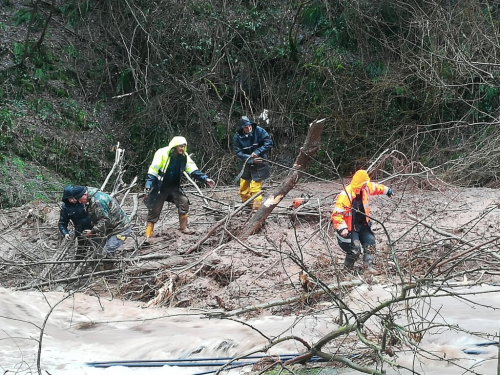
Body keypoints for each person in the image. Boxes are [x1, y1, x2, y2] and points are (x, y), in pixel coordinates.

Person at [144, 136, 215, 240]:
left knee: (184, 201)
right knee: (154, 209)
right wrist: (148, 186)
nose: (182, 148)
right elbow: (153, 171)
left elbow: (193, 170)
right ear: (175, 146)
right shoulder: (162, 153)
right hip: (160, 186)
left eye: (184, 146)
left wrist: (205, 179)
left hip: (174, 187)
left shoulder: (184, 157)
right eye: (180, 146)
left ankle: (183, 228)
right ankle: (148, 234)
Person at [331, 170, 394, 274]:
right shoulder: (346, 195)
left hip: (363, 224)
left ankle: (367, 268)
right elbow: (337, 214)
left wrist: (388, 191)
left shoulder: (366, 188)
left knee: (371, 244)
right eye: (364, 184)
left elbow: (376, 187)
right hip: (351, 227)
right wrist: (342, 228)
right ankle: (346, 270)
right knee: (354, 250)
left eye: (366, 184)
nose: (366, 186)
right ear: (359, 184)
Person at [73, 186, 132, 257]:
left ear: (85, 195)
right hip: (110, 228)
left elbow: (105, 220)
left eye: (80, 199)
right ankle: (100, 265)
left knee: (107, 251)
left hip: (121, 228)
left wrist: (92, 231)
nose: (79, 202)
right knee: (98, 250)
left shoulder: (98, 201)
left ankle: (109, 266)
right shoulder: (91, 198)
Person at [233, 116, 273, 210]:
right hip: (246, 164)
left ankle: (256, 210)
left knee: (255, 190)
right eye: (246, 127)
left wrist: (258, 152)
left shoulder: (259, 131)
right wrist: (250, 158)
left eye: (249, 126)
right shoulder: (237, 137)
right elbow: (238, 152)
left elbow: (269, 142)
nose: (248, 128)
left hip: (259, 164)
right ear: (242, 128)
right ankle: (248, 206)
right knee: (243, 190)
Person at [58, 185, 92, 261]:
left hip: (94, 228)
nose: (72, 200)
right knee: (81, 253)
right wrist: (65, 233)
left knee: (95, 250)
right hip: (81, 231)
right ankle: (78, 268)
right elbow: (62, 222)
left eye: (73, 197)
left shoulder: (84, 201)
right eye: (70, 198)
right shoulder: (66, 207)